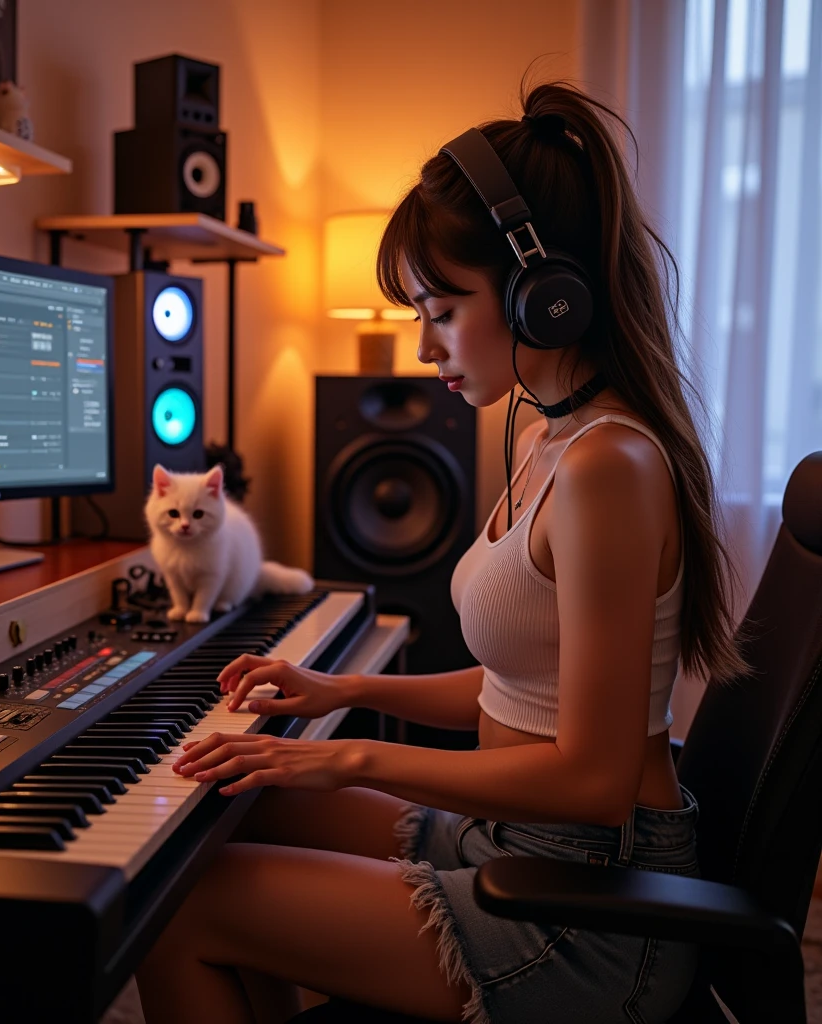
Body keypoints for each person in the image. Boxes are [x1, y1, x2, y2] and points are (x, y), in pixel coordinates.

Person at [135, 80, 746, 1024]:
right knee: (224, 821)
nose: (423, 344)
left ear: (544, 297)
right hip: (516, 845)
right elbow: (523, 689)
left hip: (587, 910)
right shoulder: (552, 437)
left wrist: (351, 760)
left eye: (442, 307)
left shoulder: (608, 467)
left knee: (178, 911)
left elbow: (592, 778)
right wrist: (348, 696)